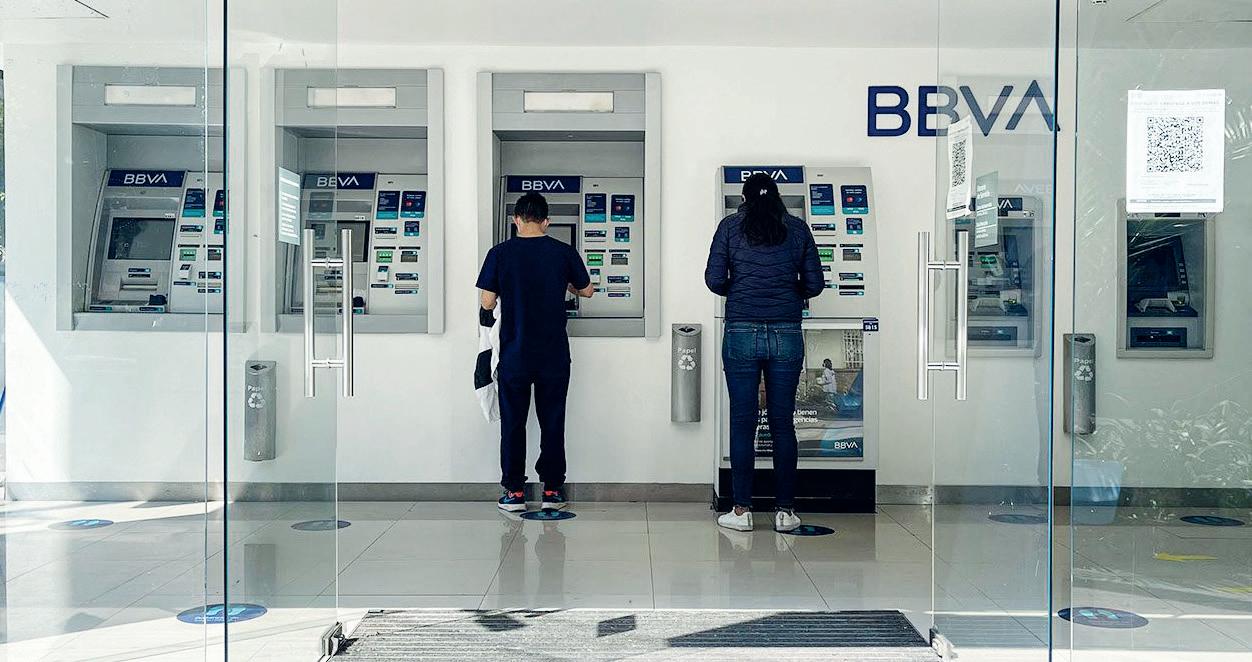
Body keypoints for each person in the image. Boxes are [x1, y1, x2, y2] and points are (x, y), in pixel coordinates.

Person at [705, 172, 824, 532]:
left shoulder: (729, 227)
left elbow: (714, 279)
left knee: (743, 422)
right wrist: (789, 291)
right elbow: (815, 284)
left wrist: (740, 288)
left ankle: (741, 511)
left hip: (741, 330)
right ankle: (785, 512)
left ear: (743, 198)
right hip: (786, 331)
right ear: (778, 197)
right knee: (782, 423)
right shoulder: (798, 229)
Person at [477, 192, 594, 512]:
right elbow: (587, 290)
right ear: (547, 222)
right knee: (552, 422)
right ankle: (552, 490)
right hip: (553, 354)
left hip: (514, 353)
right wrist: (564, 283)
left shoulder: (499, 253)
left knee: (513, 423)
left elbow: (487, 302)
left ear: (516, 220)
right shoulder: (563, 252)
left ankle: (514, 492)